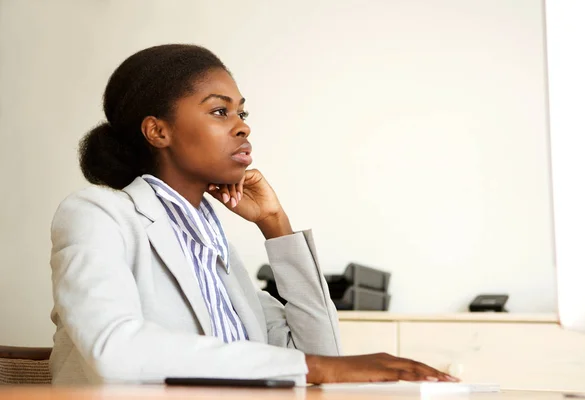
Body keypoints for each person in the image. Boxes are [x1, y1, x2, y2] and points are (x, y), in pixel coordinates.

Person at [49, 44, 458, 385]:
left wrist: (274, 222)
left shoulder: (214, 248)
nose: (242, 127)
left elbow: (320, 354)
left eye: (241, 113)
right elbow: (114, 350)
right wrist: (317, 368)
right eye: (219, 111)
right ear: (158, 131)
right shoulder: (98, 215)